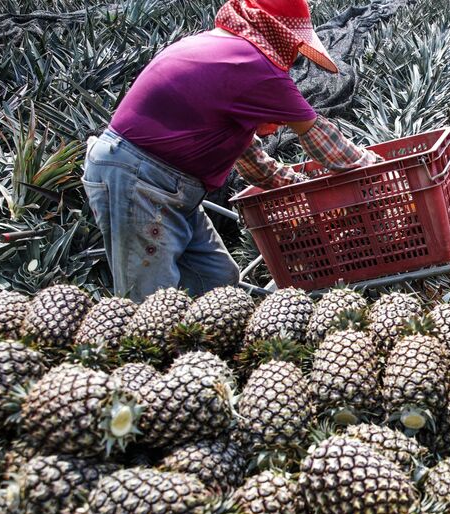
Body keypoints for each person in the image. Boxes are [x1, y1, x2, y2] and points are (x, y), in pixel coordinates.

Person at [82, 0, 379, 302]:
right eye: (294, 44)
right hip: (138, 179)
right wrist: (379, 170)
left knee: (217, 278)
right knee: (151, 299)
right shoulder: (255, 67)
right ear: (279, 33)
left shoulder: (222, 49)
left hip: (163, 183)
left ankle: (200, 346)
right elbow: (325, 145)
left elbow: (249, 157)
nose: (293, 55)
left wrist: (295, 186)